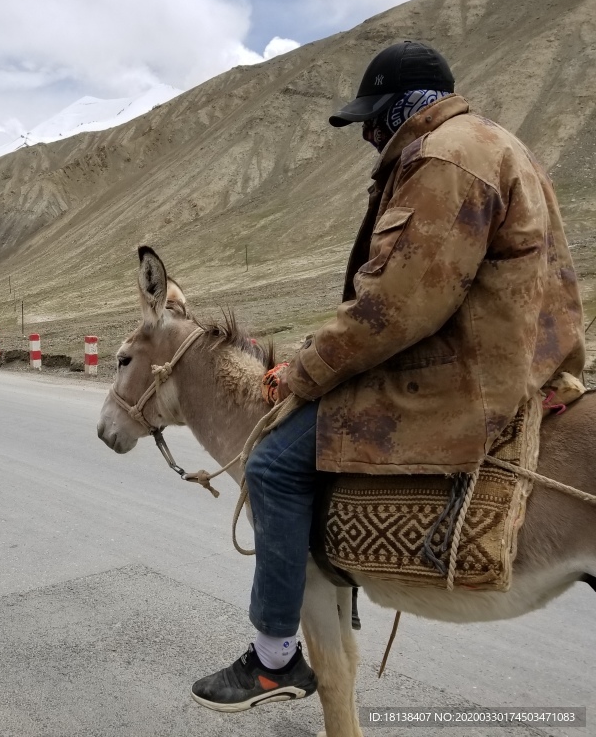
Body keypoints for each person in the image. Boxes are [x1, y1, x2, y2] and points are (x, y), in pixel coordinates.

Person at [190, 40, 585, 711]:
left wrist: (306, 370)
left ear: (405, 106)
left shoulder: (440, 159)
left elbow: (397, 305)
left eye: (375, 118)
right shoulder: (497, 143)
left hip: (455, 375)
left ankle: (274, 656)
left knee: (274, 464)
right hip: (520, 359)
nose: (370, 134)